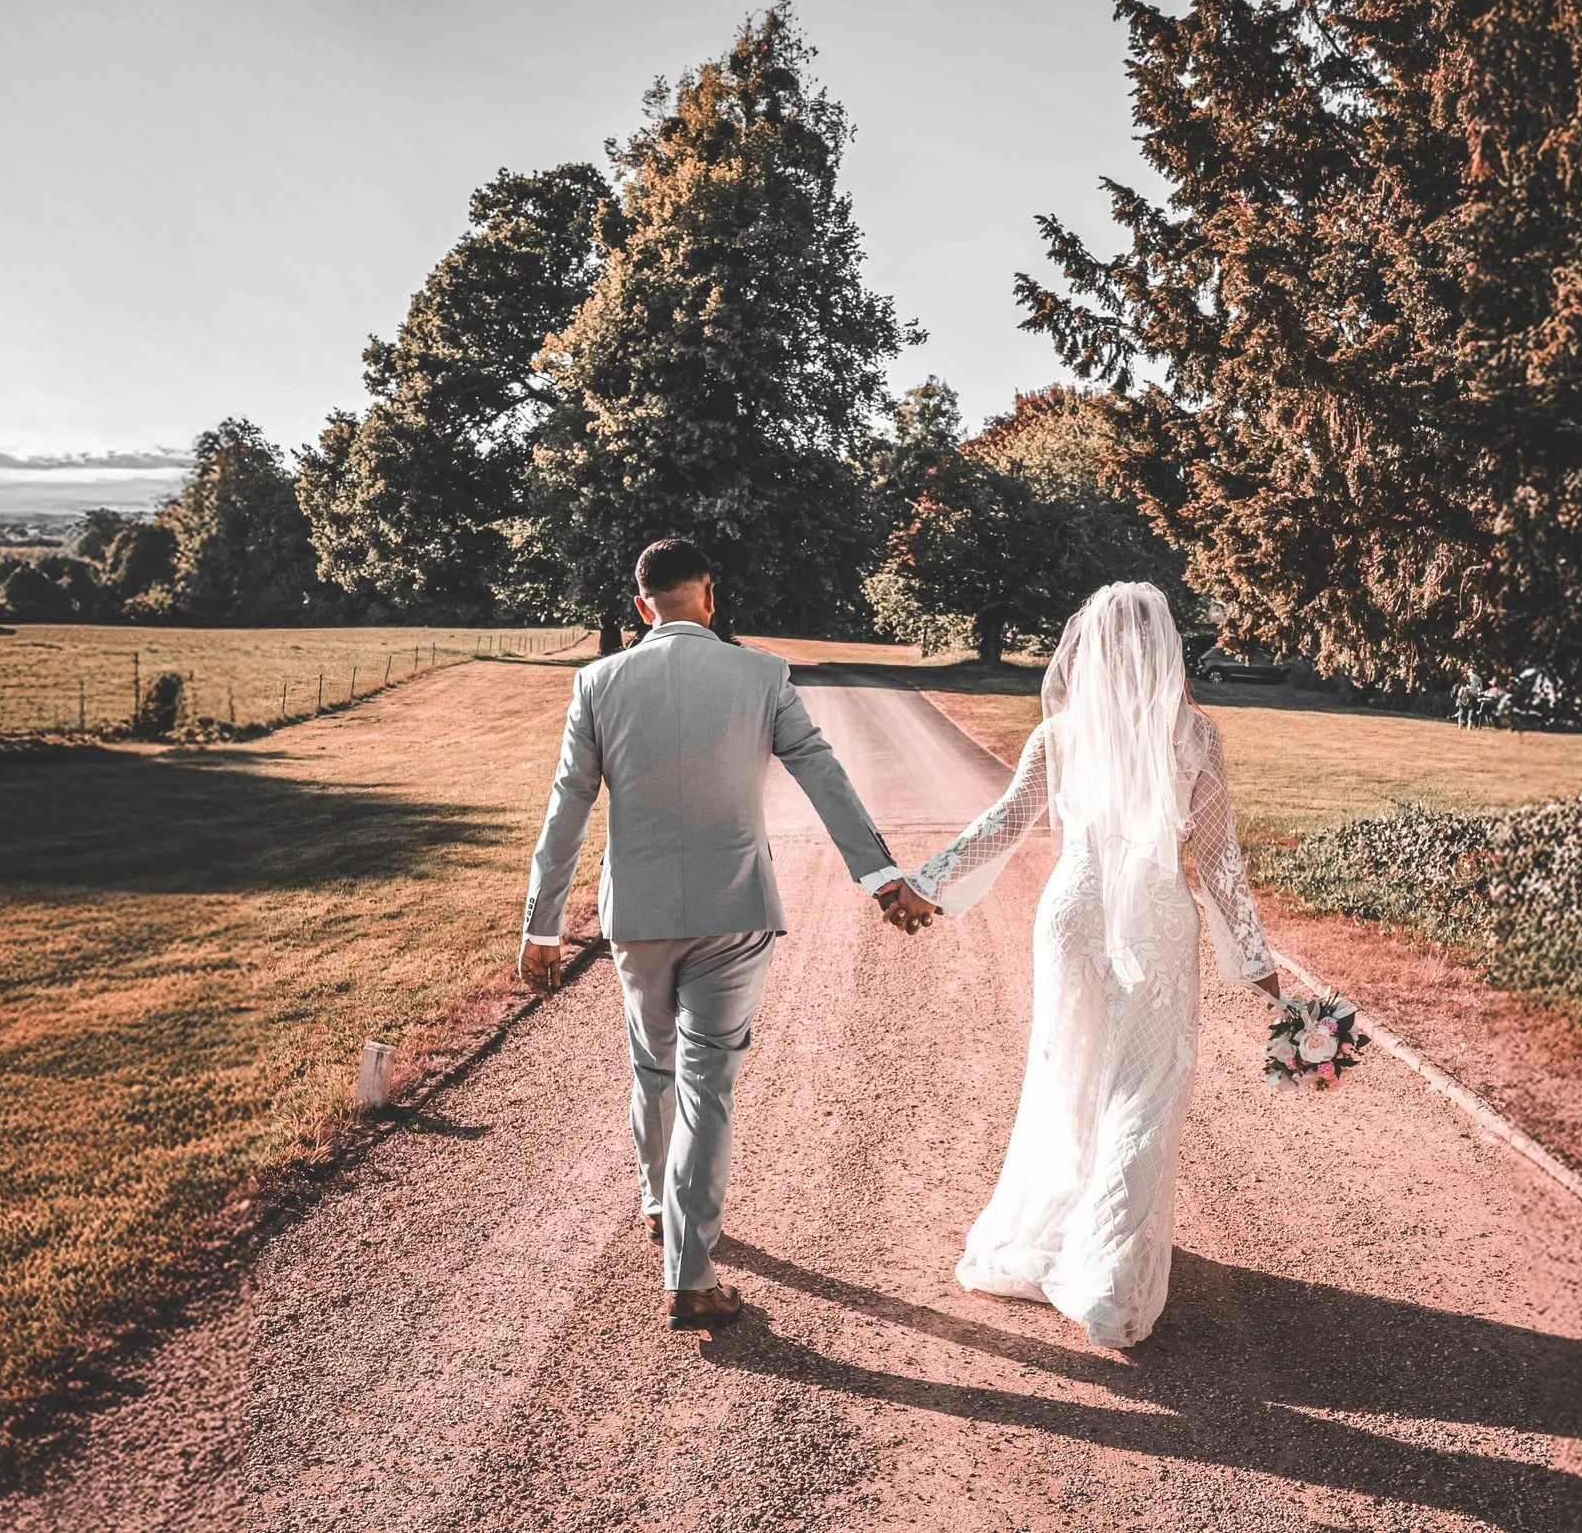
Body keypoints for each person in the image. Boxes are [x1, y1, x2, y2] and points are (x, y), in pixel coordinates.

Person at [519, 538, 920, 1329]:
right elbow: (821, 771)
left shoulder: (598, 682)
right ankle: (691, 1279)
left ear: (643, 607)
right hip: (734, 911)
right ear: (709, 597)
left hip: (636, 917)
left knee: (651, 1066)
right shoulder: (761, 674)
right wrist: (879, 877)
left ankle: (654, 1204)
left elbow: (569, 804)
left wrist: (543, 926)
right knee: (708, 1086)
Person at [876, 581, 1281, 1348]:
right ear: (1164, 645)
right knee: (1144, 1094)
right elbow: (1219, 858)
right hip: (1157, 922)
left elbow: (1004, 824)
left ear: (1089, 649)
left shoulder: (1059, 735)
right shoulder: (1194, 736)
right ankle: (1108, 1282)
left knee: (1069, 1081)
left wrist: (925, 885)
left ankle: (1062, 1242)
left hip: (1070, 916)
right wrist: (1258, 966)